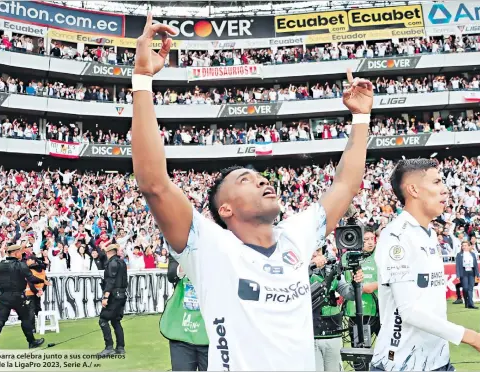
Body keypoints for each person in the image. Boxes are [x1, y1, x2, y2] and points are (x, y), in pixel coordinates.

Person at [131, 14, 373, 371]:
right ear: (225, 210)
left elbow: (345, 185)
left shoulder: (296, 236)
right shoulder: (208, 247)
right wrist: (142, 80)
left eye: (259, 177)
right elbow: (155, 185)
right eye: (245, 180)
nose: (262, 181)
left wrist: (361, 118)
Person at [371, 159, 480, 371]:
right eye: (436, 182)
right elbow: (408, 312)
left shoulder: (430, 233)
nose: (445, 190)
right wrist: (473, 338)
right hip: (400, 364)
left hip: (438, 362)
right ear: (414, 190)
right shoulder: (396, 236)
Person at [310, 251, 363, 372]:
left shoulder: (332, 269)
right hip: (310, 334)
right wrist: (309, 267)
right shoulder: (297, 271)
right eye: (312, 250)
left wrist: (357, 282)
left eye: (318, 250)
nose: (315, 254)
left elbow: (350, 294)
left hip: (333, 331)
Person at [0, 245, 45, 350]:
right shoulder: (20, 265)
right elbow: (31, 278)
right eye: (20, 252)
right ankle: (32, 342)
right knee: (25, 318)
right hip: (18, 296)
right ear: (15, 253)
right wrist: (43, 280)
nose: (21, 254)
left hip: (4, 296)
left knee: (0, 321)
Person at [160, 256, 209, 371]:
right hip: (181, 330)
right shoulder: (180, 249)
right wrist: (187, 264)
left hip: (211, 332)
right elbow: (172, 274)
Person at [343, 227, 380, 371]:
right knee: (360, 357)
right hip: (356, 313)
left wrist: (374, 285)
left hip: (379, 312)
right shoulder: (348, 257)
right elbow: (347, 285)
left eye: (372, 239)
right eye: (366, 240)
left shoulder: (380, 255)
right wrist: (360, 287)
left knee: (389, 349)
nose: (370, 243)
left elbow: (388, 279)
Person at [98, 243, 128, 356]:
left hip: (114, 296)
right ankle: (120, 347)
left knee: (103, 320)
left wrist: (106, 297)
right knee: (116, 321)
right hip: (121, 295)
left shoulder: (112, 263)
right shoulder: (122, 262)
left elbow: (111, 281)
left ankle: (109, 346)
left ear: (109, 252)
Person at [24, 254, 49, 334]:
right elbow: (46, 282)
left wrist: (36, 292)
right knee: (38, 309)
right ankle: (42, 325)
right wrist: (41, 291)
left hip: (30, 292)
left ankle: (32, 329)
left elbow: (30, 283)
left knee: (31, 311)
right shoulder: (43, 271)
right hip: (39, 292)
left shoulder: (30, 271)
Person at [455, 241, 480, 309]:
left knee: (470, 288)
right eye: (463, 245)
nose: (464, 247)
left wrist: (477, 273)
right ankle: (466, 301)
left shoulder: (472, 254)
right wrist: (458, 275)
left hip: (471, 272)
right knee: (465, 288)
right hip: (464, 272)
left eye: (466, 245)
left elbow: (476, 265)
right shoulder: (459, 255)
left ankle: (471, 304)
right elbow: (457, 265)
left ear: (469, 246)